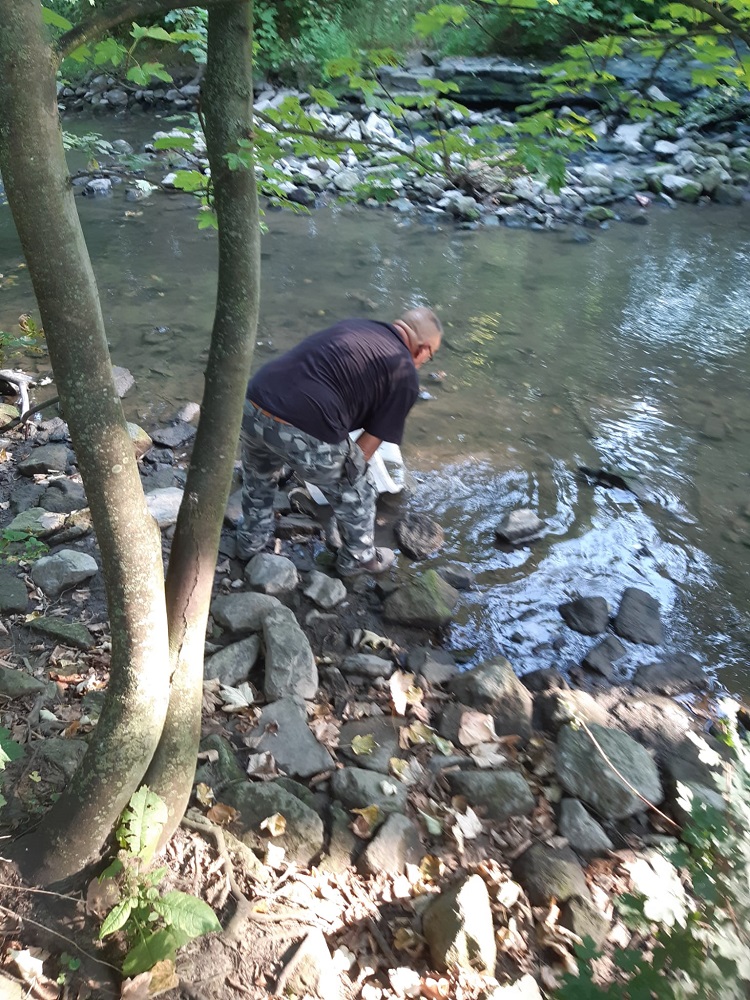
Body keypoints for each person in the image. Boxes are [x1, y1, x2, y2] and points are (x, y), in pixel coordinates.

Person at [237, 307, 443, 575]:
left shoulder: (358, 325)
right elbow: (365, 449)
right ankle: (359, 558)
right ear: (423, 349)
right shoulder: (405, 373)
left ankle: (249, 542)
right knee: (359, 488)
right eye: (431, 356)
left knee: (259, 476)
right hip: (305, 423)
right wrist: (343, 483)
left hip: (254, 401)